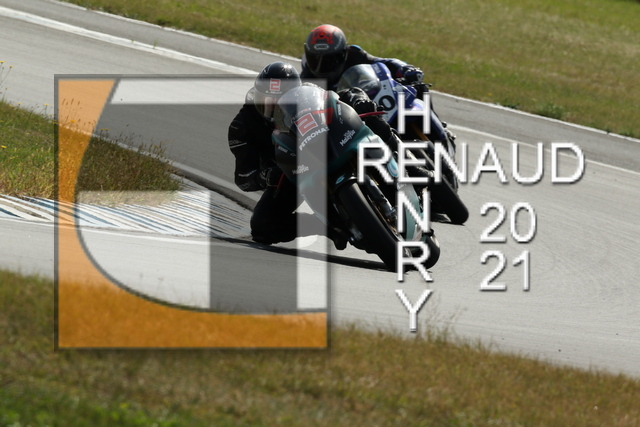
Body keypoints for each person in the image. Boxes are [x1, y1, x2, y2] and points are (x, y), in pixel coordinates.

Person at [228, 61, 349, 249]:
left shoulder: (310, 93)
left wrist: (356, 97)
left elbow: (339, 99)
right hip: (292, 174)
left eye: (281, 101)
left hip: (330, 147)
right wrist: (265, 176)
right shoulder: (243, 125)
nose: (272, 108)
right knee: (262, 227)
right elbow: (243, 178)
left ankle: (394, 162)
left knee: (373, 121)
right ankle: (326, 226)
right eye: (266, 101)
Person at [301, 24, 424, 91]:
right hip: (339, 118)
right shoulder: (307, 77)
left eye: (329, 60)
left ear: (343, 54)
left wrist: (404, 69)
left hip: (364, 104)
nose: (321, 66)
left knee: (420, 90)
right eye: (315, 60)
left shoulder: (354, 55)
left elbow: (383, 62)